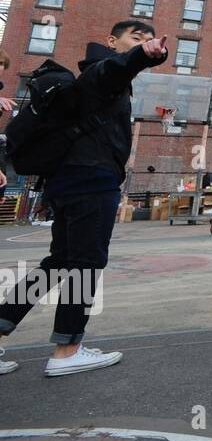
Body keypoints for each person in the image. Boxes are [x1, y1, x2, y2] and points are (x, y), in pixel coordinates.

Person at [0, 19, 169, 377]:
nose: (143, 42)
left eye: (148, 38)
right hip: (90, 182)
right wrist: (144, 55)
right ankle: (67, 349)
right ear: (112, 41)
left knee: (59, 261)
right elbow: (115, 68)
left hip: (67, 182)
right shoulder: (100, 74)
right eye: (135, 38)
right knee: (86, 263)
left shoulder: (96, 82)